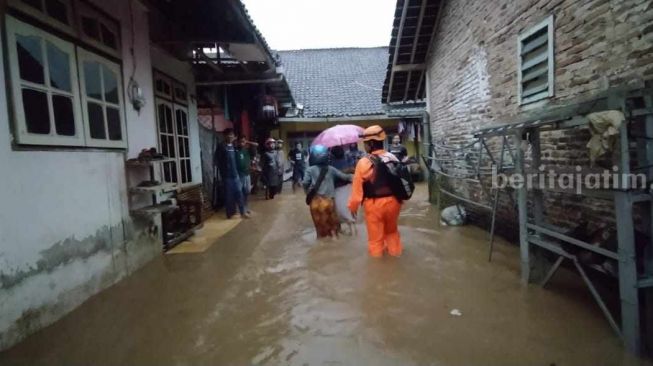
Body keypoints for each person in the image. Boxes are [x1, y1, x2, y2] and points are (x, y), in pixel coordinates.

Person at [348, 125, 403, 257]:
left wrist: (353, 208)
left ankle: (378, 272)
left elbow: (357, 193)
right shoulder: (393, 158)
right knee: (392, 233)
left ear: (371, 143)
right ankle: (396, 258)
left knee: (375, 240)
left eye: (365, 143)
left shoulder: (363, 163)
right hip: (394, 203)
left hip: (374, 205)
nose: (364, 146)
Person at [303, 144, 352, 238]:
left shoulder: (309, 170)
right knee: (334, 230)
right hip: (329, 201)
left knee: (319, 231)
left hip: (315, 203)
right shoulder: (330, 169)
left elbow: (305, 183)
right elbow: (344, 177)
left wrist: (307, 192)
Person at [215, 129, 248, 219]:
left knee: (239, 193)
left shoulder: (233, 146)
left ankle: (242, 212)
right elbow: (217, 161)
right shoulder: (221, 146)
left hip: (235, 175)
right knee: (229, 196)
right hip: (227, 176)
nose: (230, 136)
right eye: (228, 135)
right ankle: (230, 214)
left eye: (232, 135)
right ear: (224, 136)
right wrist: (223, 172)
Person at [236, 136, 254, 214]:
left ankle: (245, 207)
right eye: (240, 141)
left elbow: (256, 145)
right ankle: (241, 210)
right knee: (240, 192)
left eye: (243, 142)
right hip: (240, 175)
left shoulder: (246, 150)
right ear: (238, 142)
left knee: (247, 191)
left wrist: (247, 142)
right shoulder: (235, 151)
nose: (242, 143)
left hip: (247, 174)